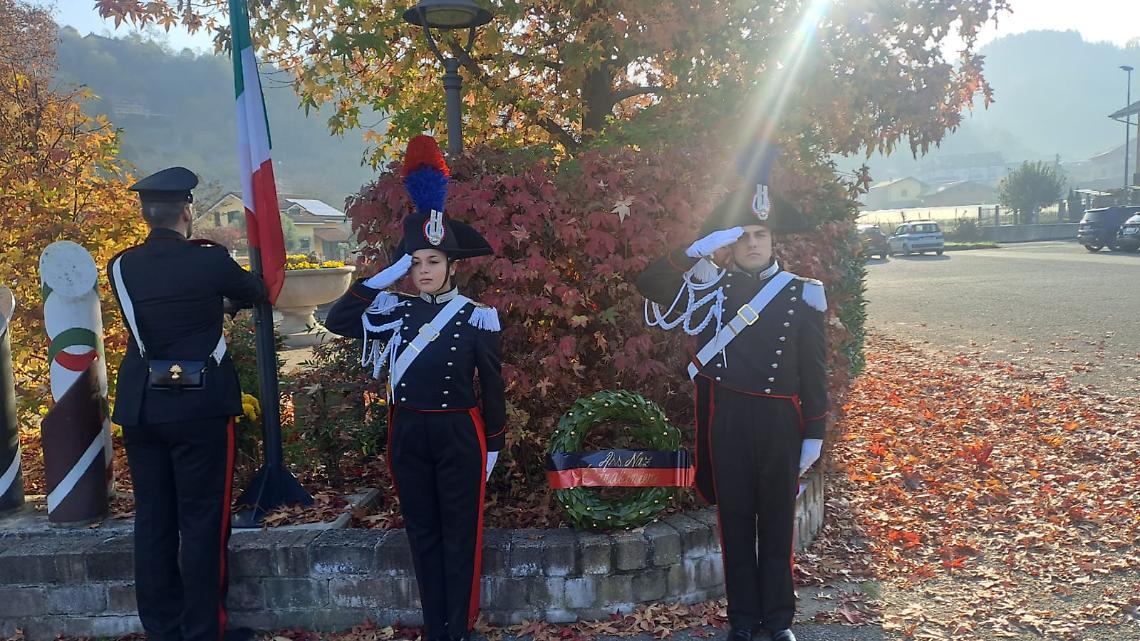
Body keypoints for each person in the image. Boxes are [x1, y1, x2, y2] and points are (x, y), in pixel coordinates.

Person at [635, 145, 827, 641]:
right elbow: (650, 283)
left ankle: (778, 621)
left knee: (779, 526)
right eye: (743, 236)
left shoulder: (800, 292)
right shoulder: (712, 289)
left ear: (773, 239)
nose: (754, 244)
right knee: (736, 523)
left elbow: (814, 372)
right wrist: (695, 251)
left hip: (782, 422)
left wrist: (814, 434)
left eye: (761, 234)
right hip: (731, 420)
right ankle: (743, 621)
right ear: (731, 243)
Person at [324, 135, 506, 641]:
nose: (424, 272)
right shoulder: (392, 309)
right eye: (417, 263)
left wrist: (494, 443)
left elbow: (492, 387)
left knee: (460, 533)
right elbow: (338, 319)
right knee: (422, 532)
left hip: (458, 433)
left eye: (432, 262)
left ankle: (458, 626)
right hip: (407, 432)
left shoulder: (477, 317)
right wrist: (384, 277)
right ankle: (435, 626)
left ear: (452, 266)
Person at [107, 167, 267, 641]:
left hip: (143, 407)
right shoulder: (210, 261)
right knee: (202, 521)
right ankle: (203, 631)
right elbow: (255, 291)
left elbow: (155, 312)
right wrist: (221, 302)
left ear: (145, 214)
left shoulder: (121, 265)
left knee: (153, 520)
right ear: (187, 211)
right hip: (199, 407)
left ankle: (163, 628)